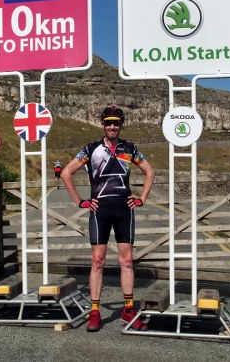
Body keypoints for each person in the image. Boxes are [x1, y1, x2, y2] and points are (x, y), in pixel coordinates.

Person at [61, 105, 155, 332]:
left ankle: (128, 311)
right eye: (108, 123)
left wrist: (141, 198)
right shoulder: (90, 148)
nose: (112, 127)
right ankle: (95, 312)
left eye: (116, 123)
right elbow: (66, 173)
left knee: (126, 262)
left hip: (124, 210)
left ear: (121, 125)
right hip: (99, 210)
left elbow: (150, 172)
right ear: (102, 124)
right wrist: (80, 201)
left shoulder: (130, 148)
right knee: (97, 262)